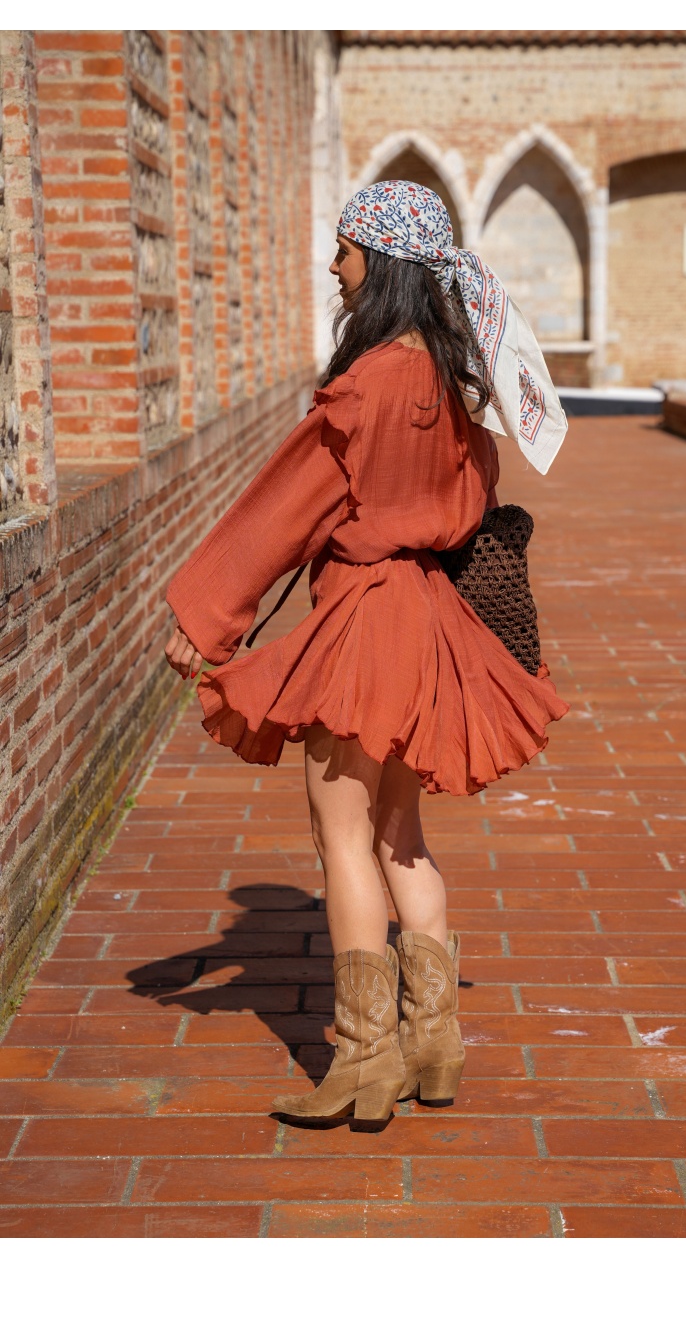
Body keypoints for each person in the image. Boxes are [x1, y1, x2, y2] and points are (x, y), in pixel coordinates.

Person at [164, 180, 569, 1125]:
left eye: (345, 250)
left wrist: (207, 616)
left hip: (364, 619)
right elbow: (470, 503)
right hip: (431, 618)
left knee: (340, 837)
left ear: (380, 261)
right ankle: (435, 1045)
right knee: (401, 835)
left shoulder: (369, 383)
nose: (334, 266)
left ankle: (363, 1061)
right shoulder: (456, 382)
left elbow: (284, 509)